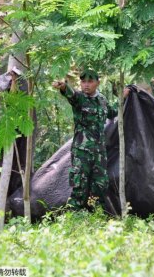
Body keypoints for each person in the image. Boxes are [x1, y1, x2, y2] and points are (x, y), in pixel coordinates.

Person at [53, 69, 127, 211]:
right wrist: (63, 86)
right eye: (83, 81)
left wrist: (123, 97)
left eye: (90, 81)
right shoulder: (80, 98)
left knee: (99, 185)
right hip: (82, 151)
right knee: (79, 185)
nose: (86, 84)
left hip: (99, 151)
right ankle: (73, 218)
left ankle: (95, 216)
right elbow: (71, 94)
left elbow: (112, 112)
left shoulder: (102, 100)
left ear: (97, 83)